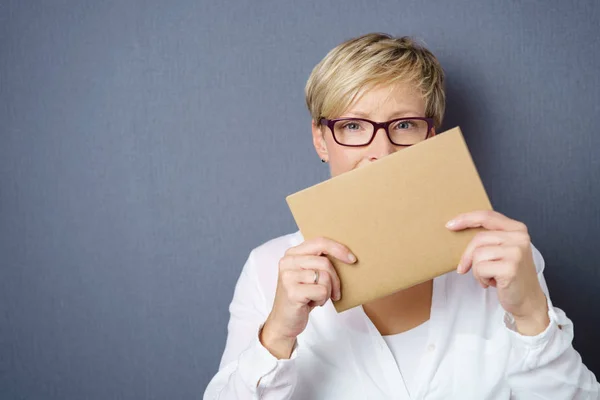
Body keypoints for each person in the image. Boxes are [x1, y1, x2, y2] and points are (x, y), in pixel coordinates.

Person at [204, 33, 599, 399]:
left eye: (405, 125)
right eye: (354, 126)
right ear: (321, 139)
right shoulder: (267, 268)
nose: (382, 151)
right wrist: (277, 335)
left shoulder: (505, 257)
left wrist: (531, 314)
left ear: (430, 136)